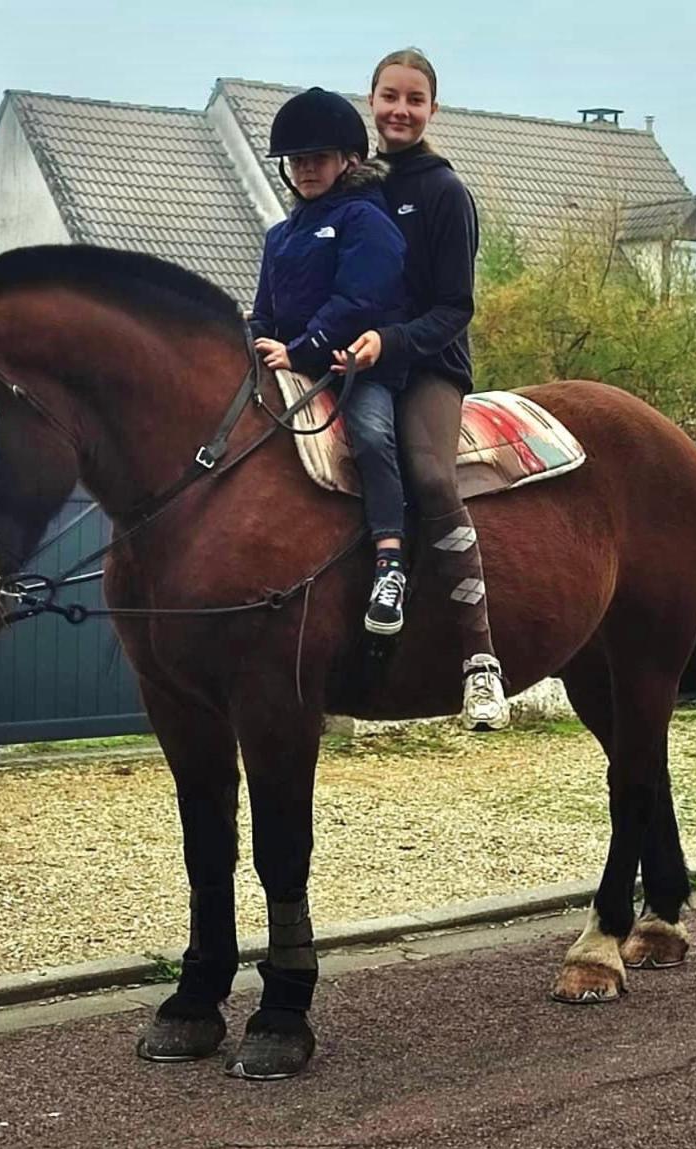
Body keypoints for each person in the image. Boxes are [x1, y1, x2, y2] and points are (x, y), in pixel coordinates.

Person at [333, 48, 511, 730]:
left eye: (413, 99)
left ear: (432, 110)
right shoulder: (355, 184)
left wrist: (391, 341)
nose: (399, 110)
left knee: (431, 476)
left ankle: (479, 661)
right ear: (370, 102)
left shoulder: (444, 193)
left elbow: (454, 307)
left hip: (429, 361)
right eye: (388, 97)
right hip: (357, 359)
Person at [250, 87, 411, 635]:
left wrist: (299, 351)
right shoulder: (279, 236)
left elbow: (358, 302)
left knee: (369, 435)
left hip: (353, 369)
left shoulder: (367, 220)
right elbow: (263, 313)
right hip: (290, 369)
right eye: (296, 161)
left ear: (349, 161)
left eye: (316, 159)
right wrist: (248, 344)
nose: (305, 169)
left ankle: (391, 561)